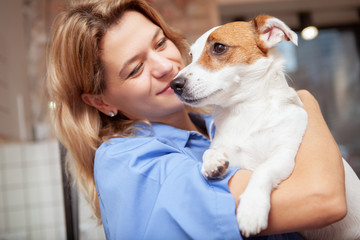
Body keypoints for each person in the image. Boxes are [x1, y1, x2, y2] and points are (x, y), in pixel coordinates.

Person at [46, 0, 346, 239]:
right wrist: (306, 102)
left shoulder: (217, 127)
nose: (166, 67)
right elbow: (323, 200)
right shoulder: (132, 163)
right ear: (102, 101)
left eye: (160, 43)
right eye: (135, 69)